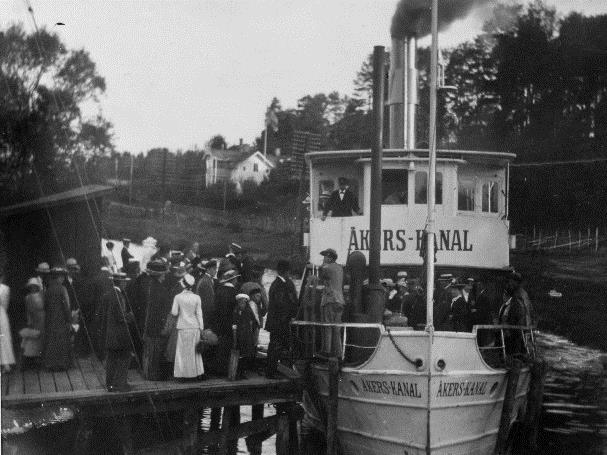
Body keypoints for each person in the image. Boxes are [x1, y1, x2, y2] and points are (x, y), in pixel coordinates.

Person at [265, 260, 298, 378]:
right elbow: (281, 304)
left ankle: (277, 370)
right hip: (279, 322)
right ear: (285, 271)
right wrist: (291, 316)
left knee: (280, 346)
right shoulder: (279, 285)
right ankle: (271, 372)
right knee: (276, 346)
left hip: (279, 321)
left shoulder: (280, 283)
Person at [140, 260, 171, 380]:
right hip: (156, 325)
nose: (164, 276)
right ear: (159, 275)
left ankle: (147, 373)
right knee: (154, 351)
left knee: (148, 351)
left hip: (148, 324)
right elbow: (160, 309)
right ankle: (152, 375)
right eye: (163, 274)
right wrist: (163, 324)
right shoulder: (160, 290)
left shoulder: (148, 284)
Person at [104, 273, 135, 392]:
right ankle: (120, 384)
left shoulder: (108, 294)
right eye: (124, 282)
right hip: (120, 335)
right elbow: (121, 317)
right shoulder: (119, 296)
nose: (126, 284)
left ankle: (110, 385)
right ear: (120, 283)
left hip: (110, 335)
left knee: (111, 360)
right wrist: (130, 316)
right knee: (124, 358)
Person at [171, 274, 204, 380]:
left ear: (182, 285)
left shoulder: (178, 297)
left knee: (182, 351)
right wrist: (201, 328)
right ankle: (196, 373)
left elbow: (174, 312)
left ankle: (182, 374)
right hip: (195, 327)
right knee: (195, 352)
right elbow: (199, 314)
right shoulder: (197, 297)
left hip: (183, 326)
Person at [43, 267, 73, 371]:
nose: (63, 279)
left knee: (51, 340)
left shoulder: (48, 288)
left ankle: (50, 364)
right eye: (62, 277)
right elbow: (66, 306)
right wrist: (69, 319)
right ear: (59, 277)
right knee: (61, 341)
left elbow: (45, 305)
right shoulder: (62, 289)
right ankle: (62, 364)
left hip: (50, 318)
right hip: (61, 318)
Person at [212, 269, 241, 374]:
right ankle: (225, 370)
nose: (237, 280)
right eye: (236, 278)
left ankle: (217, 369)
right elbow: (236, 311)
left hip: (218, 323)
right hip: (229, 323)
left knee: (219, 346)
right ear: (233, 280)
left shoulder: (219, 290)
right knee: (228, 346)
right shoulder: (234, 293)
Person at [319, 249, 344, 355]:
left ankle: (326, 351)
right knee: (336, 328)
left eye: (325, 256)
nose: (323, 258)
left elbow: (321, 274)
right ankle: (338, 352)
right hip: (340, 301)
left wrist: (323, 264)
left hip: (330, 300)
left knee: (327, 326)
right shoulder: (340, 268)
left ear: (329, 257)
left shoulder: (327, 267)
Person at [20, 278, 45, 370]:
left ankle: (42, 359)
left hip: (42, 318)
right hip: (34, 319)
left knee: (42, 337)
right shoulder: (28, 297)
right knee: (34, 339)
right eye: (31, 287)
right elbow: (28, 311)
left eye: (34, 286)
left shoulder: (42, 295)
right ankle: (34, 360)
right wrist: (29, 321)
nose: (33, 288)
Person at [233, 293, 259, 378]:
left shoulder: (247, 311)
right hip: (240, 335)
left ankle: (242, 371)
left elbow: (254, 323)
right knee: (240, 352)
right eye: (240, 302)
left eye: (243, 302)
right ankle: (239, 371)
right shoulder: (236, 311)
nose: (242, 304)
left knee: (245, 353)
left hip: (246, 335)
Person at [0, 273, 15, 373]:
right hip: (1, 313)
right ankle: (6, 364)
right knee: (4, 338)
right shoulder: (5, 288)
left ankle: (5, 365)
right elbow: (5, 304)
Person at [195, 259, 217, 329]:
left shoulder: (207, 279)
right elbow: (208, 301)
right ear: (208, 269)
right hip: (205, 312)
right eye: (214, 269)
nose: (216, 271)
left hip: (204, 311)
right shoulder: (205, 282)